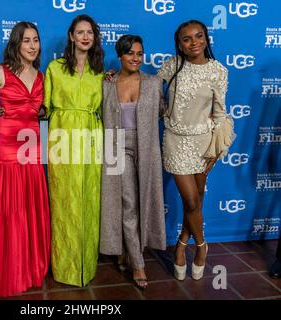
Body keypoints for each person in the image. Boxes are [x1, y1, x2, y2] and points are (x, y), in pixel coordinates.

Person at [157, 20, 235, 281]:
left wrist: (216, 150)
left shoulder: (218, 71)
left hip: (203, 143)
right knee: (191, 200)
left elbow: (220, 112)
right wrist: (115, 77)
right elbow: (150, 90)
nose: (194, 42)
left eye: (198, 36)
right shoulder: (172, 65)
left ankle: (182, 242)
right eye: (187, 39)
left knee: (197, 200)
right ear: (179, 44)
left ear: (206, 38)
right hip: (175, 140)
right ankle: (202, 248)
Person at [0, 22, 50, 297]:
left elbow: (44, 113)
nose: (33, 46)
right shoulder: (0, 72)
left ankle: (32, 267)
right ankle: (12, 271)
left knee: (31, 210)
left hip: (34, 150)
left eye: (36, 40)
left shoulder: (43, 76)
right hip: (8, 150)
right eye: (26, 41)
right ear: (16, 44)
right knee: (12, 213)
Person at [100, 35, 166, 290]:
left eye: (139, 53)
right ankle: (138, 263)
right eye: (130, 53)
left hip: (147, 146)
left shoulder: (153, 82)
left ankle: (128, 252)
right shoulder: (107, 83)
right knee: (128, 202)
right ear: (120, 55)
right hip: (117, 146)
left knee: (145, 199)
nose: (136, 58)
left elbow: (162, 112)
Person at [43, 14, 104, 286]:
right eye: (80, 32)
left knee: (89, 200)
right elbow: (44, 108)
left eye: (89, 32)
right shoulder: (54, 68)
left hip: (93, 138)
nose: (85, 37)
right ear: (71, 36)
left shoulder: (100, 70)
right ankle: (64, 267)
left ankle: (86, 265)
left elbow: (106, 108)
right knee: (63, 201)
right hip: (61, 137)